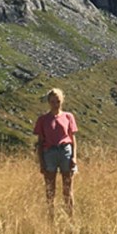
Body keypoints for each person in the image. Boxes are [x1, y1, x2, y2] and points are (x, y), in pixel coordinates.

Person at [33, 87, 78, 217]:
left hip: (65, 151)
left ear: (62, 101)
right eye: (53, 101)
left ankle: (70, 217)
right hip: (49, 153)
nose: (55, 104)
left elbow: (73, 138)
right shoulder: (43, 119)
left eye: (57, 101)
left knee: (68, 188)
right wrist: (41, 162)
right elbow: (40, 142)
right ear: (48, 102)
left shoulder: (68, 116)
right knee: (50, 188)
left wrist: (74, 157)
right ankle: (50, 216)